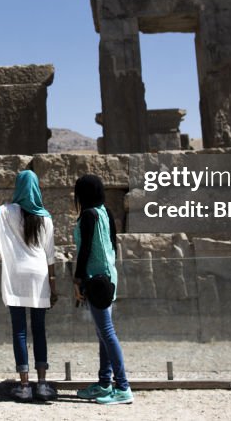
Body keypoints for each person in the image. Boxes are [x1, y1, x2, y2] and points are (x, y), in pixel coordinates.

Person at [0, 170, 58, 402]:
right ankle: (42, 384)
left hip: (16, 275)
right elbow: (50, 255)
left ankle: (24, 385)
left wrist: (3, 239)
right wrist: (53, 286)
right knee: (40, 329)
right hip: (40, 274)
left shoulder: (4, 212)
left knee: (19, 331)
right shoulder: (46, 217)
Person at [72, 173, 133, 405]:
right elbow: (113, 244)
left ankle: (123, 387)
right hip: (108, 277)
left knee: (107, 333)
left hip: (95, 280)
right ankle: (105, 383)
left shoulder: (88, 215)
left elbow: (85, 249)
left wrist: (78, 280)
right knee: (103, 334)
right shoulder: (105, 212)